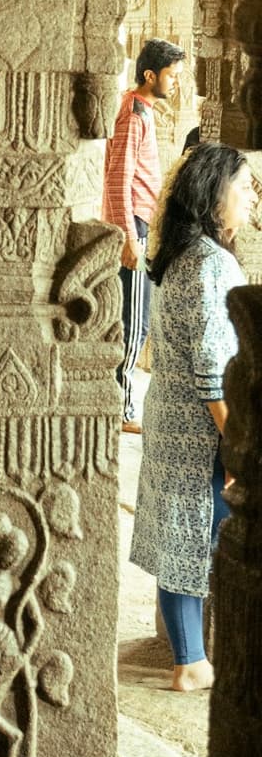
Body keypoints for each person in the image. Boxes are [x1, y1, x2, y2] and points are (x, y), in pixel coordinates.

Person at [130, 142, 255, 691]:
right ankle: (191, 662)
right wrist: (237, 441)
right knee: (197, 536)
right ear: (215, 195)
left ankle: (192, 657)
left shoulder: (182, 253)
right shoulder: (211, 263)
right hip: (198, 427)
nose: (253, 196)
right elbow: (211, 367)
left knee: (184, 536)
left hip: (172, 416)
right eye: (245, 185)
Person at [102, 38, 185, 430]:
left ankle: (120, 403)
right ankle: (120, 407)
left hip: (140, 223)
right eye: (172, 75)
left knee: (135, 319)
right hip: (133, 224)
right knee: (135, 323)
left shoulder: (140, 109)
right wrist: (129, 237)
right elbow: (119, 177)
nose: (176, 84)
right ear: (150, 75)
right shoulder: (134, 114)